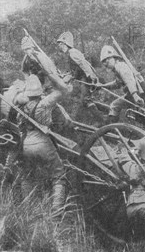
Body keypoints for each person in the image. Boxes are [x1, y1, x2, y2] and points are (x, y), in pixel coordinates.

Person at [16, 36, 70, 218]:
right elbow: (62, 91)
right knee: (59, 175)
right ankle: (56, 212)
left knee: (27, 177)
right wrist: (59, 79)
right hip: (42, 142)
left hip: (26, 145)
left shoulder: (21, 106)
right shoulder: (44, 103)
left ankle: (28, 212)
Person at [97, 45, 145, 123]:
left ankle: (111, 128)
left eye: (107, 60)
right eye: (104, 62)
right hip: (135, 94)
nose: (105, 63)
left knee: (114, 106)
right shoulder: (117, 68)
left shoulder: (121, 66)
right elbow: (117, 84)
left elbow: (129, 80)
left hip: (137, 94)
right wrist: (103, 86)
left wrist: (135, 95)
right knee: (134, 114)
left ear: (113, 58)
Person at [56, 31, 100, 108]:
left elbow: (83, 64)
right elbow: (74, 70)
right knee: (85, 101)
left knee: (86, 101)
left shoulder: (73, 52)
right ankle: (109, 112)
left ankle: (106, 118)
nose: (59, 46)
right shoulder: (68, 54)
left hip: (86, 78)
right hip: (82, 78)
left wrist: (92, 76)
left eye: (60, 43)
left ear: (65, 44)